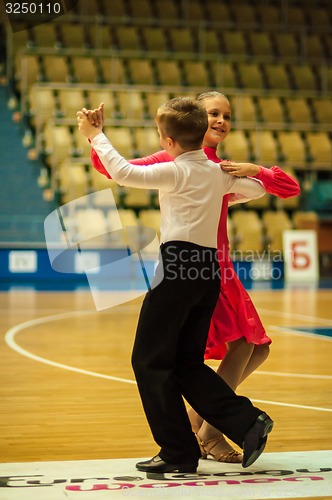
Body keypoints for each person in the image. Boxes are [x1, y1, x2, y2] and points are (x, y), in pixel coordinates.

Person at [86, 92, 300, 463]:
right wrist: (244, 182)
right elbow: (259, 190)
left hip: (179, 266)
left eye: (226, 115)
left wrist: (95, 135)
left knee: (149, 360)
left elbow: (121, 172)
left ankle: (179, 449)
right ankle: (246, 423)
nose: (220, 121)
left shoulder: (176, 167)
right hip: (210, 271)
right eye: (214, 114)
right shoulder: (219, 173)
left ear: (168, 140)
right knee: (187, 362)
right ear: (201, 125)